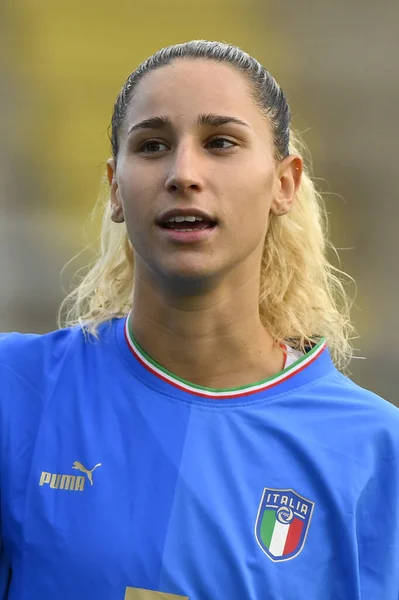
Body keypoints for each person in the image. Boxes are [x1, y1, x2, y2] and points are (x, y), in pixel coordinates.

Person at [0, 40, 398, 600]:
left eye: (220, 143)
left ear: (284, 183)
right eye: (153, 145)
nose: (184, 172)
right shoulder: (16, 390)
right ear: (115, 186)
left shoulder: (374, 448)